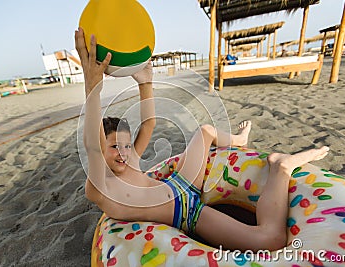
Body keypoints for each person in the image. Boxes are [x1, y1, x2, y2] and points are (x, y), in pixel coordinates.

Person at [75, 27, 330, 252]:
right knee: (271, 239)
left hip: (180, 182)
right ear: (101, 147)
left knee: (206, 131)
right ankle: (281, 166)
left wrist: (146, 83)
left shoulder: (130, 161)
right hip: (187, 213)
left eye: (127, 145)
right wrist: (92, 86)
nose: (123, 152)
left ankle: (239, 139)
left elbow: (150, 123)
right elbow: (92, 148)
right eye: (114, 147)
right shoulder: (99, 187)